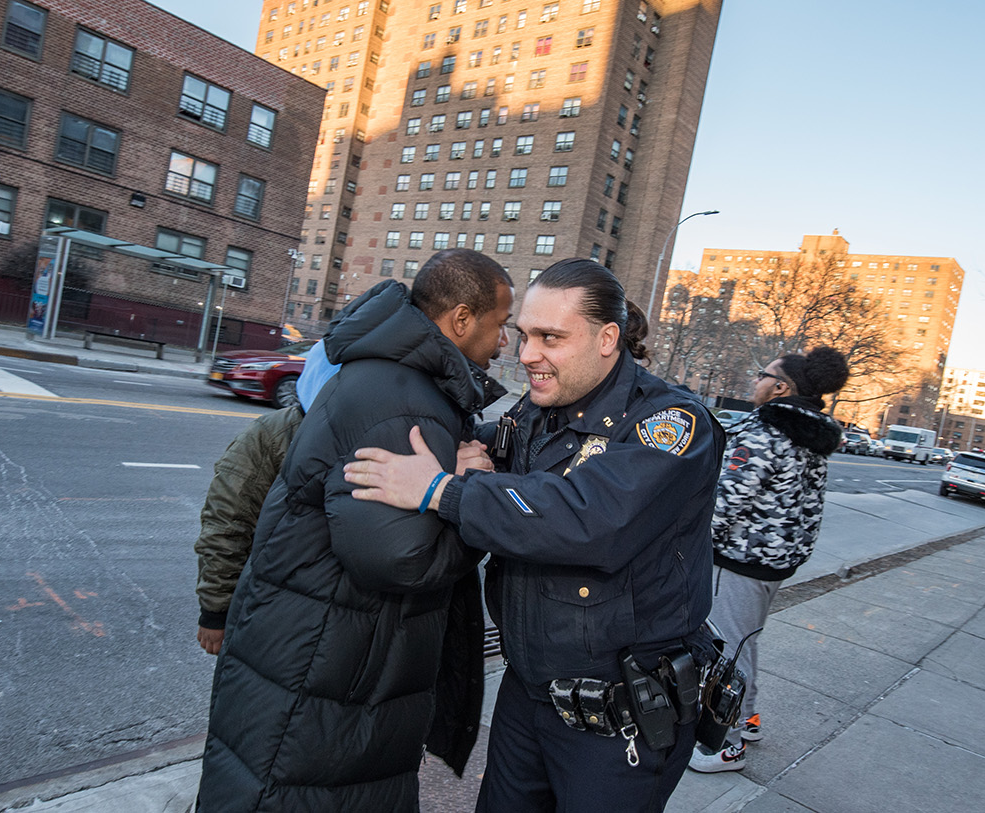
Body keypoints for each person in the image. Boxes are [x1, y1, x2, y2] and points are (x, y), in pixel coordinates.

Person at [344, 258, 725, 812]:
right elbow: (492, 443)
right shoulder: (538, 410)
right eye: (524, 335)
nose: (525, 356)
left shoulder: (669, 423)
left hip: (620, 714)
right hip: (529, 691)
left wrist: (441, 491)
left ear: (607, 339)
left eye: (550, 337)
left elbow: (588, 518)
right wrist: (449, 443)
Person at [196, 249, 514, 812]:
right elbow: (401, 559)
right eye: (502, 324)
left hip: (329, 666)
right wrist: (468, 500)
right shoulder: (400, 399)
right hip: (326, 673)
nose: (507, 341)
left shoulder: (399, 384)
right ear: (461, 320)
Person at [688, 347, 849, 774]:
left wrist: (691, 544)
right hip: (774, 560)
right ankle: (750, 718)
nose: (755, 381)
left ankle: (728, 743)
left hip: (740, 559)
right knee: (745, 641)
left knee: (727, 648)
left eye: (763, 375)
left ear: (780, 387)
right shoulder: (810, 434)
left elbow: (726, 502)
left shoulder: (767, 431)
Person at [193, 342, 340, 655]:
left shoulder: (367, 434)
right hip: (270, 606)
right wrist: (215, 610)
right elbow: (228, 520)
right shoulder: (276, 433)